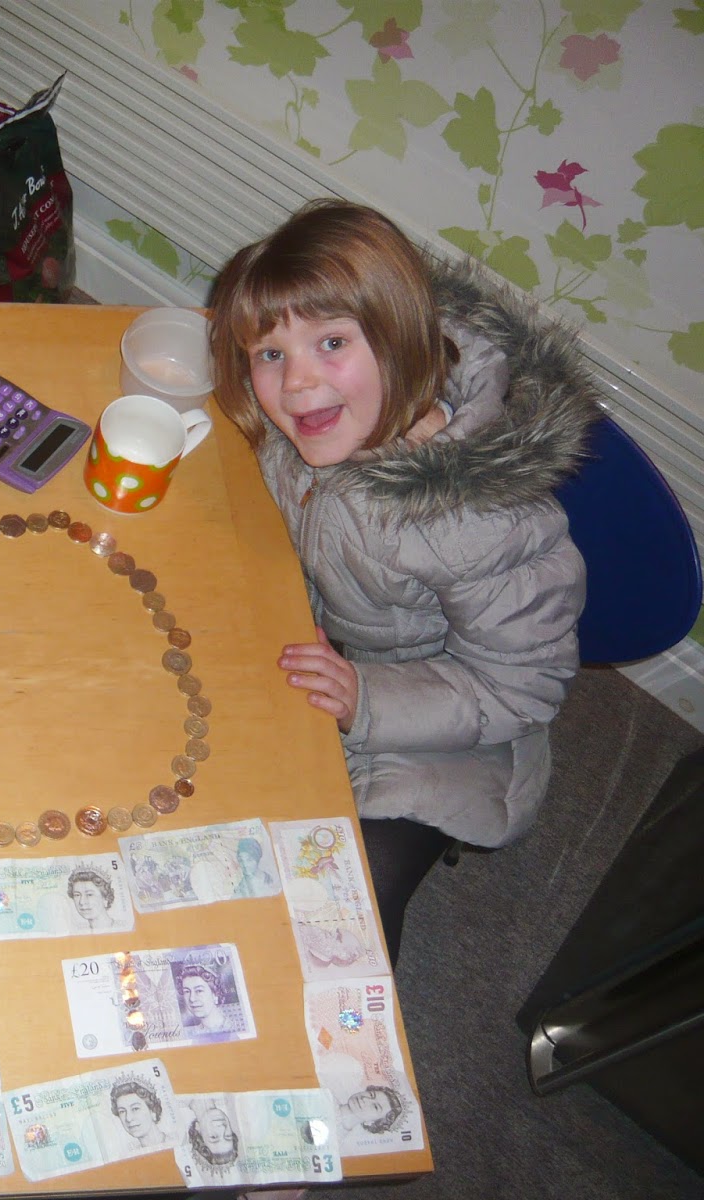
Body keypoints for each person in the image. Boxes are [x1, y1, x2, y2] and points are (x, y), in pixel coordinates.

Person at [209, 200, 597, 964]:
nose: (297, 383)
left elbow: (521, 688)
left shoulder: (480, 522)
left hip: (455, 726)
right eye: (270, 353)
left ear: (402, 339)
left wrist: (367, 699)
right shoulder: (319, 421)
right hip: (330, 645)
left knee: (348, 900)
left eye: (331, 342)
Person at [109, 1077, 173, 1149]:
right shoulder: (130, 1151)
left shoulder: (174, 1141)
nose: (128, 1118)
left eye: (135, 1109)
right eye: (122, 1111)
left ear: (153, 1110)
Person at [176, 962, 231, 1033]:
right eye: (187, 991)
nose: (192, 999)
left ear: (215, 993)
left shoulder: (234, 1025)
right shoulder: (191, 1032)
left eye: (199, 991)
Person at [66, 866, 124, 932]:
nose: (81, 902)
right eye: (77, 895)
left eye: (89, 894)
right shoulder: (78, 931)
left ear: (106, 898)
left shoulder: (122, 928)